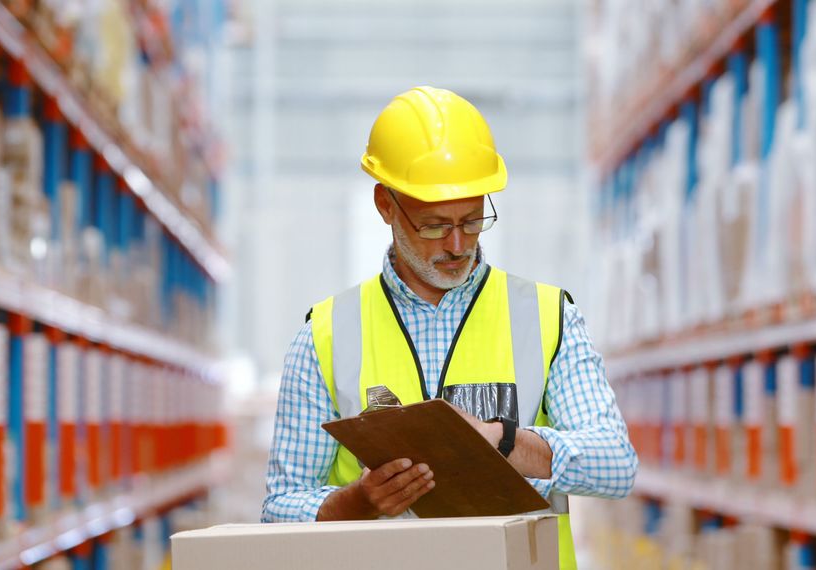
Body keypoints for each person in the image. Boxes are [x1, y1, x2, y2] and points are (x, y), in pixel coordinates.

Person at [262, 86, 637, 569]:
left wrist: (504, 441)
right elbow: (279, 507)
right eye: (435, 224)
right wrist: (357, 503)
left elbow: (616, 463)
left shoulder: (548, 315)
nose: (458, 244)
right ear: (385, 205)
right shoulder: (325, 335)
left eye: (473, 219)